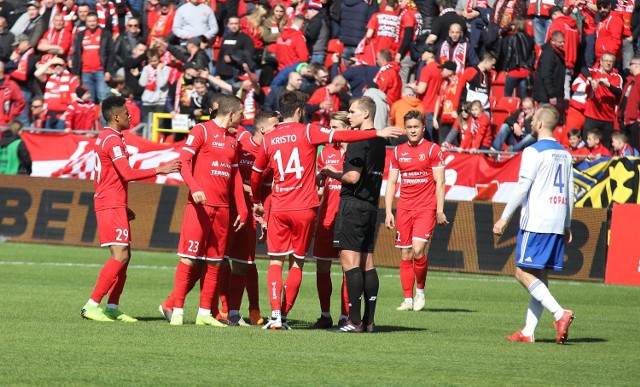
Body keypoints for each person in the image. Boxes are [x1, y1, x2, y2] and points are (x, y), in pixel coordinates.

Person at [250, 91, 401, 330]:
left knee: (276, 263)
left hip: (279, 206)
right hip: (307, 207)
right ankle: (300, 315)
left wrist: (258, 201)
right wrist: (377, 132)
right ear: (300, 111)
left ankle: (277, 316)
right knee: (298, 263)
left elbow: (256, 174)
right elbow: (339, 134)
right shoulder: (310, 131)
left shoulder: (269, 138)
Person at [80, 96, 181, 322]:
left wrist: (123, 206)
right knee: (120, 254)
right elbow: (126, 173)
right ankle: (92, 304)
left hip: (114, 202)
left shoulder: (112, 138)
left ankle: (112, 306)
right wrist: (160, 169)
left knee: (126, 255)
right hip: (109, 203)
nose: (130, 116)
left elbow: (114, 176)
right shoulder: (112, 140)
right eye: (126, 113)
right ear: (116, 117)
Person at [493, 104, 575, 344]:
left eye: (532, 119)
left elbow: (522, 187)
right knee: (539, 276)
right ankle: (528, 332)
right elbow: (570, 191)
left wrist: (504, 217)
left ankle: (560, 313)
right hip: (557, 220)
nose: (529, 122)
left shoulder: (533, 151)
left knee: (521, 272)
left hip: (537, 220)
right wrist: (567, 223)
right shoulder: (566, 153)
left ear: (540, 124)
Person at [165, 95, 248, 327]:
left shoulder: (233, 140)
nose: (244, 118)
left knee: (215, 262)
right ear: (231, 114)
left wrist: (242, 208)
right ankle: (178, 311)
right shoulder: (201, 131)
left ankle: (204, 313)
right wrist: (195, 188)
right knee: (190, 258)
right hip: (200, 207)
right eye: (241, 113)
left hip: (222, 209)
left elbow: (235, 177)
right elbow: (184, 162)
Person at [319, 97, 391, 333]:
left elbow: (352, 177)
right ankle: (369, 321)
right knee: (368, 264)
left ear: (366, 114)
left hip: (353, 205)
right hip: (371, 206)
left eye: (352, 112)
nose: (349, 116)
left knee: (350, 264)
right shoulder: (379, 141)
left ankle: (353, 321)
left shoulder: (359, 142)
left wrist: (330, 172)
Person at [385, 110, 447, 312]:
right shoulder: (397, 151)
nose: (412, 131)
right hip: (404, 207)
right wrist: (388, 211)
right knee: (405, 253)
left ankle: (420, 290)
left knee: (418, 249)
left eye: (416, 127)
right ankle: (407, 299)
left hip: (425, 207)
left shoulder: (432, 150)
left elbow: (440, 182)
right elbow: (392, 183)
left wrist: (440, 210)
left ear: (423, 128)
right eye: (409, 127)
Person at [224, 111, 279, 326]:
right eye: (276, 125)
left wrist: (264, 219)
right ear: (262, 129)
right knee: (217, 260)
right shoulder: (241, 140)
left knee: (245, 262)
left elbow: (265, 191)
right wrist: (244, 187)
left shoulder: (271, 153)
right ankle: (218, 308)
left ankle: (245, 311)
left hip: (251, 213)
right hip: (228, 209)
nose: (280, 129)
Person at [309, 111, 350, 329]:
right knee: (322, 268)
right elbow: (320, 187)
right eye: (330, 127)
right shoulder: (324, 151)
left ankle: (346, 316)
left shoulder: (355, 151)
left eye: (336, 127)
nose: (331, 131)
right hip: (326, 217)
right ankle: (325, 315)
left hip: (347, 218)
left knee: (348, 268)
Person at [582, 52, 623, 149]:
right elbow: (583, 69)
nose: (608, 63)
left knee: (606, 146)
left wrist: (607, 84)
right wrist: (591, 80)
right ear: (601, 62)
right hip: (592, 115)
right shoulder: (594, 72)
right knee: (587, 144)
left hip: (607, 118)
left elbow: (619, 92)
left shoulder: (617, 77)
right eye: (606, 61)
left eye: (611, 61)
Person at [532, 31, 565, 107]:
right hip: (546, 97)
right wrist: (551, 95)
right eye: (560, 42)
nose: (563, 44)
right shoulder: (549, 55)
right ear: (553, 41)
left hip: (552, 95)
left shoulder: (557, 53)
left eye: (563, 42)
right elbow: (546, 76)